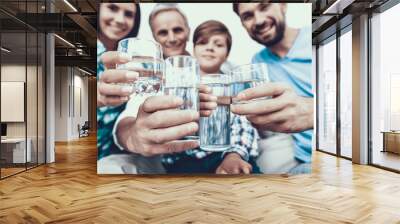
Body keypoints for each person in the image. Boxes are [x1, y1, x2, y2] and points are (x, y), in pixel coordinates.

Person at [161, 20, 260, 174]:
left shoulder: (233, 85)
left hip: (228, 153)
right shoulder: (178, 83)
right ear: (193, 49)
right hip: (186, 160)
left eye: (218, 44)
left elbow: (243, 124)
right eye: (202, 42)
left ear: (227, 53)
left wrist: (234, 155)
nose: (210, 47)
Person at [231, 2, 313, 174]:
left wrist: (312, 111)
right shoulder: (258, 62)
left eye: (264, 7)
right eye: (248, 16)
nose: (259, 20)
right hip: (302, 161)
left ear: (283, 5)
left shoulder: (318, 38)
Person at [97, 3, 140, 160]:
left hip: (115, 157)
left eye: (128, 14)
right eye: (113, 8)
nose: (120, 19)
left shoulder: (134, 62)